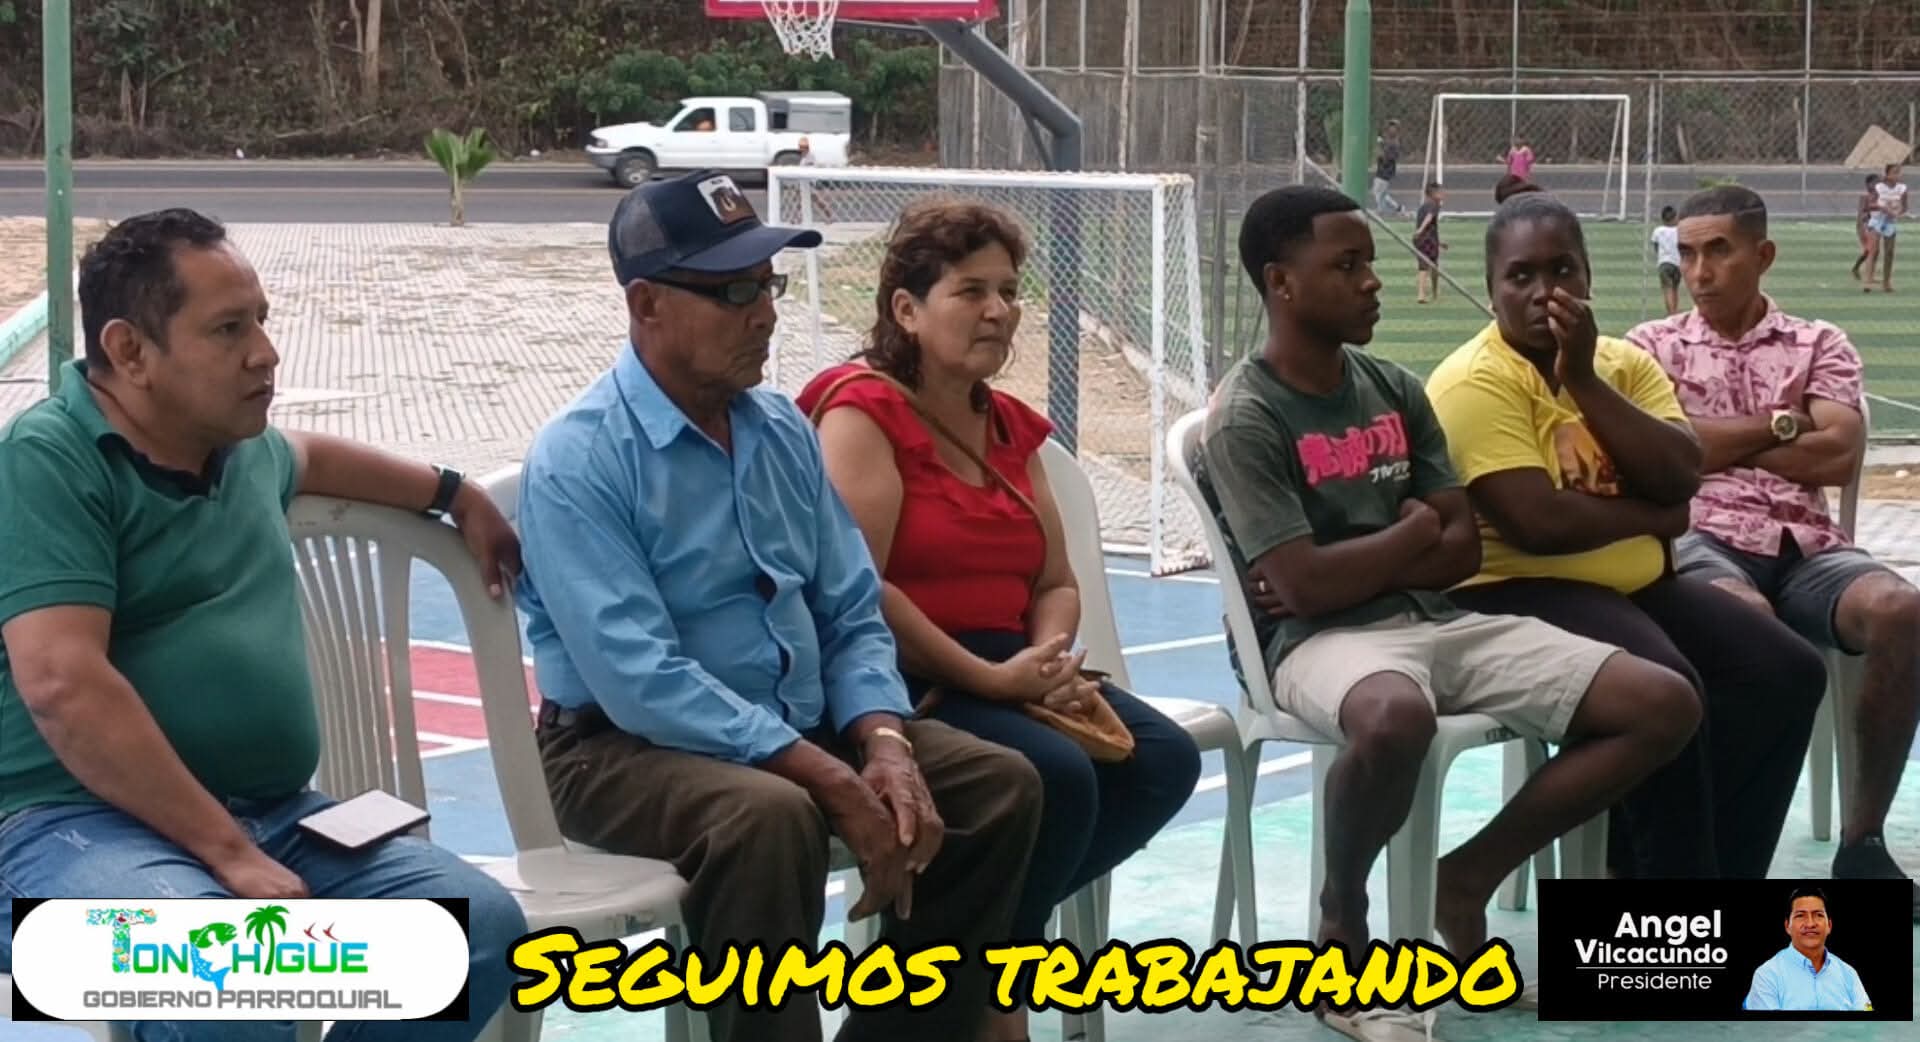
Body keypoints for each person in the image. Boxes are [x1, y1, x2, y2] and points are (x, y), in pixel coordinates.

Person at [512, 171, 1043, 1042]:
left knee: (999, 786)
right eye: (733, 292)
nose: (763, 315)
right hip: (617, 749)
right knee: (768, 817)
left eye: (768, 286)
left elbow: (850, 609)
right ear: (646, 304)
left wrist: (882, 739)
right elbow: (641, 679)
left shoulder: (780, 429)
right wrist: (824, 771)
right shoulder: (581, 459)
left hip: (793, 721)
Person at [0, 209, 528, 1042]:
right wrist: (229, 853)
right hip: (65, 827)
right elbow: (62, 684)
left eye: (262, 321)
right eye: (228, 330)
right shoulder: (50, 458)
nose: (266, 353)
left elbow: (313, 455)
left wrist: (453, 492)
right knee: (228, 981)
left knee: (472, 929)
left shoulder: (239, 447)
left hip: (272, 815)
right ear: (130, 351)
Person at [1196, 185, 1699, 1042]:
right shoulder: (1245, 417)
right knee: (1396, 717)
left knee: (1663, 703)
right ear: (1281, 282)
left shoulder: (1394, 386)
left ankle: (1463, 878)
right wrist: (1409, 533)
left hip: (1436, 619)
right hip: (1316, 643)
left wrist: (1370, 556)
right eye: (1347, 265)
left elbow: (1461, 548)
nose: (1373, 281)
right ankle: (1343, 923)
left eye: (1370, 262)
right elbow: (1304, 591)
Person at [796, 199, 1203, 1042]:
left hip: (1010, 665)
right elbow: (857, 589)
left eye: (1010, 291)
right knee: (1058, 775)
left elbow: (1054, 577)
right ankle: (990, 1006)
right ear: (906, 309)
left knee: (1163, 759)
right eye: (971, 291)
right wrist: (990, 678)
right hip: (899, 675)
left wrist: (1046, 658)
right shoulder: (860, 412)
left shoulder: (1011, 425)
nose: (999, 311)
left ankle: (976, 972)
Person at [1428, 191, 1827, 881]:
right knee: (1670, 686)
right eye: (1520, 275)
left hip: (1636, 586)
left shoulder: (1622, 364)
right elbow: (1538, 524)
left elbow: (1680, 472)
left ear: (1588, 277)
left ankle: (1716, 884)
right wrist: (1655, 517)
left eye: (1562, 270)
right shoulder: (1473, 382)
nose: (1544, 291)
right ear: (1491, 290)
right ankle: (1662, 902)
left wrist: (1582, 379)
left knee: (1787, 672)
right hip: (1514, 591)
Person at [1630, 184, 1920, 917]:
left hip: (1808, 546)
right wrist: (1784, 423)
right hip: (1702, 538)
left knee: (1902, 610)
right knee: (1746, 627)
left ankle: (1862, 843)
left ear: (1762, 255)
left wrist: (1711, 440)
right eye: (1689, 253)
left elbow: (1840, 453)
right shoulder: (1650, 347)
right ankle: (1716, 856)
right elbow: (1665, 455)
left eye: (1718, 251)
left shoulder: (1819, 342)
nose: (1700, 271)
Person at [1744, 888, 1873, 1011]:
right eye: (1800, 915)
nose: (1810, 924)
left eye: (1818, 915)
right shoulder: (1767, 975)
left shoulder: (1849, 974)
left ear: (1829, 925)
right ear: (1787, 926)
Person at [1866, 163, 1906, 292]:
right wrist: (1883, 208)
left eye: (1899, 172)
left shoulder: (1902, 188)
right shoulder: (1879, 187)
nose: (1898, 175)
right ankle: (1868, 281)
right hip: (1877, 220)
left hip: (1890, 222)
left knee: (1889, 252)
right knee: (1874, 250)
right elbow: (1870, 205)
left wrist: (1897, 212)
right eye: (1895, 172)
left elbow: (1904, 207)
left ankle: (1886, 282)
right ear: (1888, 174)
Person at [1412, 181, 1445, 304]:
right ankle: (1433, 293)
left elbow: (1431, 226)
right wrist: (1420, 230)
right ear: (1434, 194)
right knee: (1433, 266)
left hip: (1421, 240)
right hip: (1427, 239)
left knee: (1423, 266)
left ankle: (1422, 294)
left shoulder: (1424, 206)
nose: (1443, 194)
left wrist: (1439, 242)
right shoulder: (1434, 204)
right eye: (1440, 192)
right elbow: (1429, 218)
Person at [1653, 205, 1683, 315]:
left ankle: (1671, 312)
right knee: (1675, 288)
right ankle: (1675, 310)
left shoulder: (1658, 231)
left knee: (1667, 288)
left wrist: (1660, 256)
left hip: (1664, 262)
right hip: (1677, 263)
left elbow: (1656, 246)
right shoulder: (1679, 230)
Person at [1852, 174, 1881, 284]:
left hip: (1874, 227)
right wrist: (1861, 226)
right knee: (1872, 250)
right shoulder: (1865, 197)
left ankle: (1860, 270)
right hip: (1865, 227)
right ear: (1868, 184)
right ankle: (1867, 275)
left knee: (1873, 251)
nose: (1877, 185)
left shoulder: (1878, 196)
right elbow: (1861, 213)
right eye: (1875, 183)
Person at [1372, 119, 1405, 215]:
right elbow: (1384, 149)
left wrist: (1381, 155)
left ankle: (1381, 209)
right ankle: (1398, 208)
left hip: (1386, 171)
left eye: (1394, 127)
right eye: (1390, 126)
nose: (1391, 129)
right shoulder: (1388, 141)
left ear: (1397, 130)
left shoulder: (1395, 143)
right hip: (1382, 169)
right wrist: (1381, 144)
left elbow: (1389, 157)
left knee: (1378, 191)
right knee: (1381, 192)